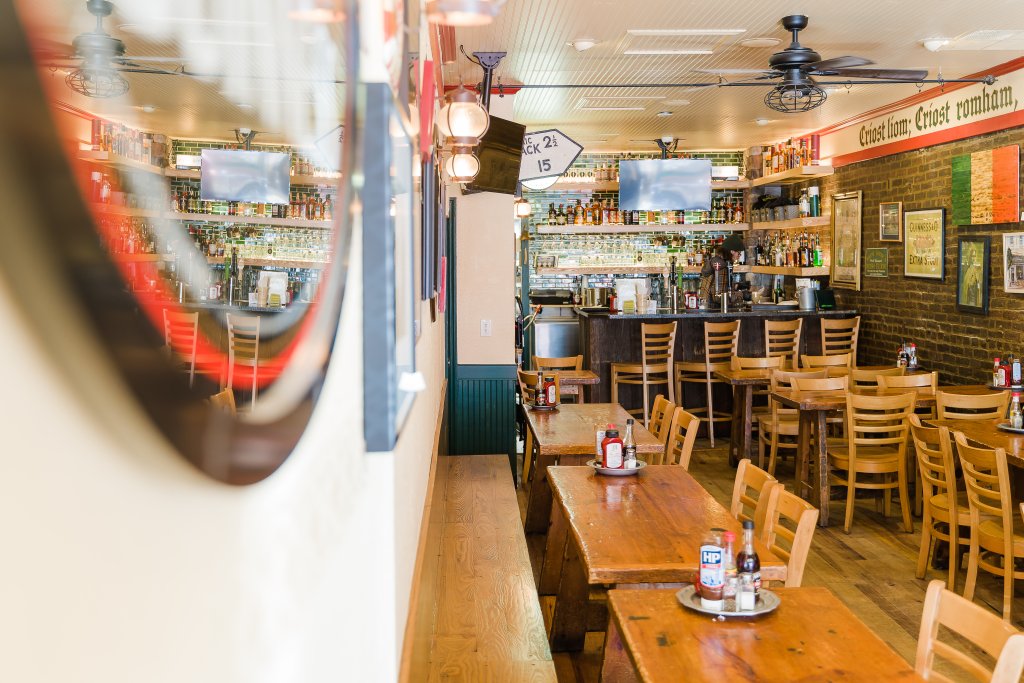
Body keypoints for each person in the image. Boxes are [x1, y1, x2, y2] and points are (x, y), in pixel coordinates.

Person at [700, 235, 746, 307]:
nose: (739, 256)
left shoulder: (718, 262)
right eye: (739, 253)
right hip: (714, 310)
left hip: (707, 307)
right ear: (732, 251)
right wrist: (741, 295)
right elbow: (719, 297)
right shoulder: (721, 267)